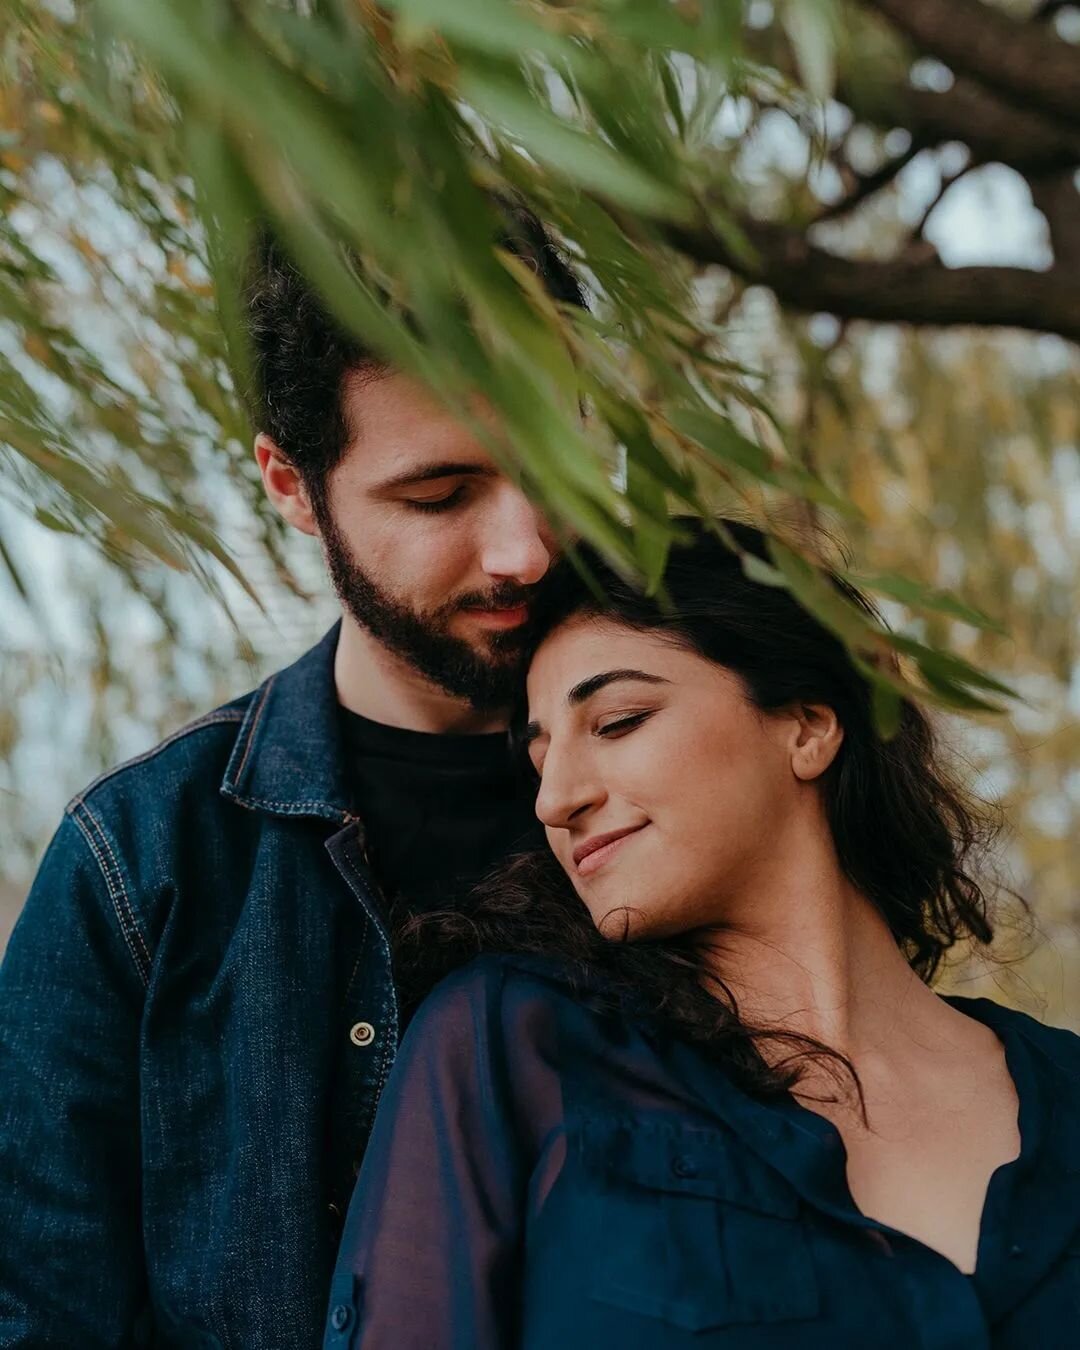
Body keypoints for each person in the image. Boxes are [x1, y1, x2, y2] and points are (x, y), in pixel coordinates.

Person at [0, 208, 585, 1348]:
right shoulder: (140, 863)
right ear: (290, 484)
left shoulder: (723, 783)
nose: (524, 547)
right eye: (440, 496)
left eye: (552, 460)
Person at [325, 519, 1080, 1349]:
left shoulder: (1067, 1091)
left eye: (617, 722)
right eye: (539, 761)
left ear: (807, 725)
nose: (555, 800)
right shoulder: (514, 1052)